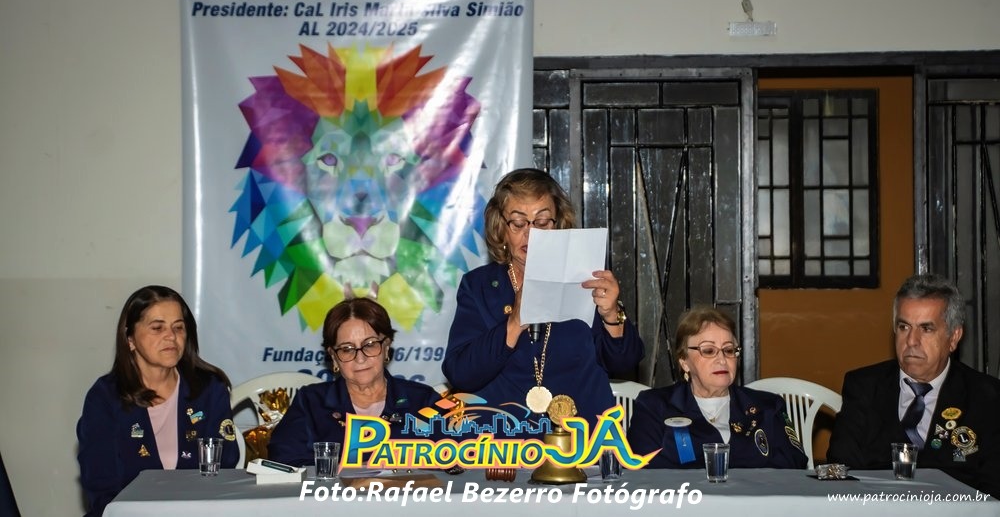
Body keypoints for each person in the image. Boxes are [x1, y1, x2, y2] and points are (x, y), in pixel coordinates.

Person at [442, 168, 644, 425]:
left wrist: (611, 314)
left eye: (542, 222)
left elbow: (624, 362)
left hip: (580, 433)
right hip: (505, 436)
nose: (531, 233)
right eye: (518, 223)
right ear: (501, 228)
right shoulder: (479, 286)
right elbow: (460, 374)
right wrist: (513, 324)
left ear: (558, 225)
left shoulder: (585, 277)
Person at [828, 274, 1000, 497]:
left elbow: (993, 488)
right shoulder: (864, 387)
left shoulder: (986, 396)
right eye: (904, 327)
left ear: (954, 337)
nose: (911, 341)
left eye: (926, 329)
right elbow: (841, 469)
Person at [77, 285, 238, 517]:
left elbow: (224, 468)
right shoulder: (105, 397)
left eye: (178, 327)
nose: (171, 336)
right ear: (130, 338)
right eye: (157, 328)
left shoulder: (209, 390)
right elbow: (102, 487)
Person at [627, 306, 807, 469]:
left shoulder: (768, 406)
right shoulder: (654, 406)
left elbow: (794, 464)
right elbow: (642, 470)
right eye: (708, 351)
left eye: (728, 350)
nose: (722, 360)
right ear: (684, 362)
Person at [268, 298, 441, 466]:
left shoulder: (422, 400)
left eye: (370, 344)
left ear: (386, 347)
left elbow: (451, 456)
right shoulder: (311, 402)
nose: (360, 358)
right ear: (334, 357)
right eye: (347, 349)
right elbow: (282, 460)